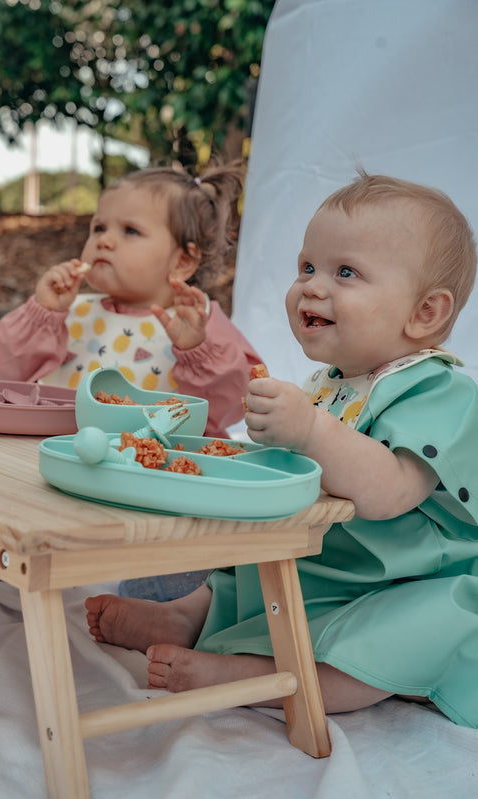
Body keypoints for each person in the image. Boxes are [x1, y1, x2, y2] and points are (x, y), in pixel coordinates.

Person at [85, 172, 478, 726]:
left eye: (346, 272)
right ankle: (184, 615)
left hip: (402, 583)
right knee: (245, 566)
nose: (313, 286)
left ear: (425, 313)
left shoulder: (439, 391)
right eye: (307, 267)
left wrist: (312, 430)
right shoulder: (330, 382)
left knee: (400, 634)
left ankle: (258, 678)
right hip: (329, 567)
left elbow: (391, 492)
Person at [0, 163, 262, 437]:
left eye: (130, 230)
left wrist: (196, 351)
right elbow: (12, 374)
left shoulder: (198, 324)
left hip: (150, 470)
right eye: (99, 227)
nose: (104, 241)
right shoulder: (70, 313)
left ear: (182, 262)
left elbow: (232, 404)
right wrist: (43, 313)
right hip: (59, 454)